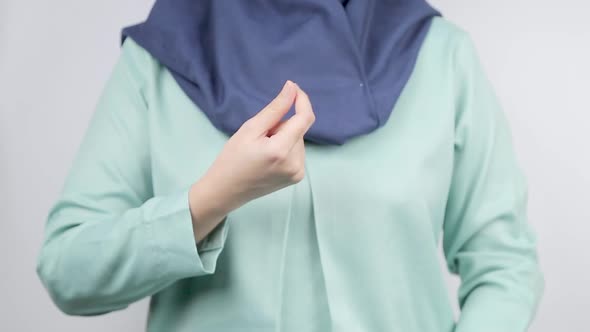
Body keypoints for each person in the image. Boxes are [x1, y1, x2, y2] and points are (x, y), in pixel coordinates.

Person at [36, 1, 544, 331]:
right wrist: (209, 201)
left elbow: (505, 263)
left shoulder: (440, 55)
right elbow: (68, 268)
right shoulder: (162, 60)